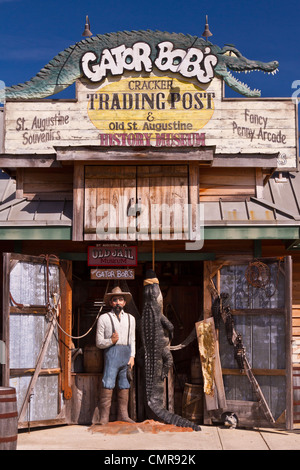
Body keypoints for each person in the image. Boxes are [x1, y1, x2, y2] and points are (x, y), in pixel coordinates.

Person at [96, 286, 136, 424]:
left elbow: (133, 339)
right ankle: (104, 417)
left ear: (125, 302)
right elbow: (98, 342)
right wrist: (110, 341)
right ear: (110, 303)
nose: (118, 302)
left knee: (124, 384)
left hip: (126, 355)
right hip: (111, 354)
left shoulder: (131, 319)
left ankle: (123, 415)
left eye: (120, 299)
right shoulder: (104, 318)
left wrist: (132, 356)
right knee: (108, 383)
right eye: (115, 300)